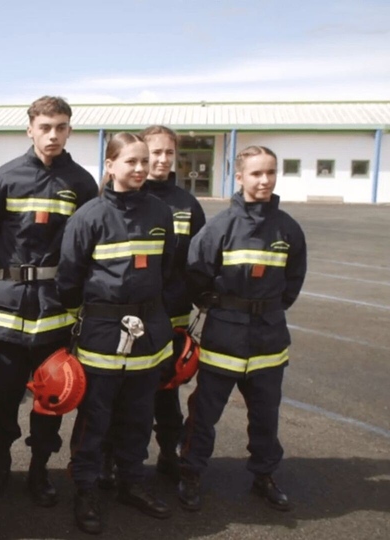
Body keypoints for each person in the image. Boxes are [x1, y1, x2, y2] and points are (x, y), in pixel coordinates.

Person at [0, 96, 97, 507]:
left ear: (69, 131)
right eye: (45, 127)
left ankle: (39, 468)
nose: (53, 135)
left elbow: (87, 247)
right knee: (4, 395)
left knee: (52, 396)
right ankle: (0, 460)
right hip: (8, 306)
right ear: (29, 129)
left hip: (55, 309)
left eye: (61, 127)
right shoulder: (4, 178)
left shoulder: (82, 183)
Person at [57, 132, 175, 534]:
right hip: (102, 334)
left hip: (149, 334)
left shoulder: (160, 213)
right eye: (131, 161)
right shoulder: (88, 216)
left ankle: (131, 482)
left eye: (144, 161)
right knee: (95, 418)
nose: (140, 168)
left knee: (139, 416)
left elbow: (168, 268)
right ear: (110, 166)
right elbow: (69, 278)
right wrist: (88, 319)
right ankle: (86, 489)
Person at [178, 145, 306, 513]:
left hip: (269, 339)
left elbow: (293, 281)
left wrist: (267, 311)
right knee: (204, 414)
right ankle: (191, 473)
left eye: (270, 172)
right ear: (239, 177)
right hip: (225, 337)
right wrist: (224, 308)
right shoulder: (220, 227)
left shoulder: (288, 228)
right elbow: (196, 275)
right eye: (256, 173)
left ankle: (264, 475)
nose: (265, 180)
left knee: (266, 415)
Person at [98, 125, 206, 488]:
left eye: (168, 153)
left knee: (166, 394)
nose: (160, 160)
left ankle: (168, 454)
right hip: (127, 318)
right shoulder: (117, 199)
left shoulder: (187, 205)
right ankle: (110, 458)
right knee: (118, 394)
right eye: (154, 153)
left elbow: (196, 262)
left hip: (170, 318)